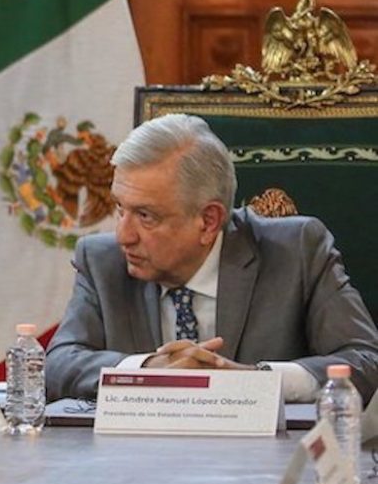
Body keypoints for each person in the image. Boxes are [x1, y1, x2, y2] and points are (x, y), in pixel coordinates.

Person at [46, 113, 378, 403]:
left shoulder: (296, 252)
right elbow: (56, 365)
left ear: (208, 221)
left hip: (260, 453)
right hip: (136, 452)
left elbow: (365, 361)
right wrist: (148, 370)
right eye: (120, 209)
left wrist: (254, 381)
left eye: (146, 216)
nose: (123, 235)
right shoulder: (103, 261)